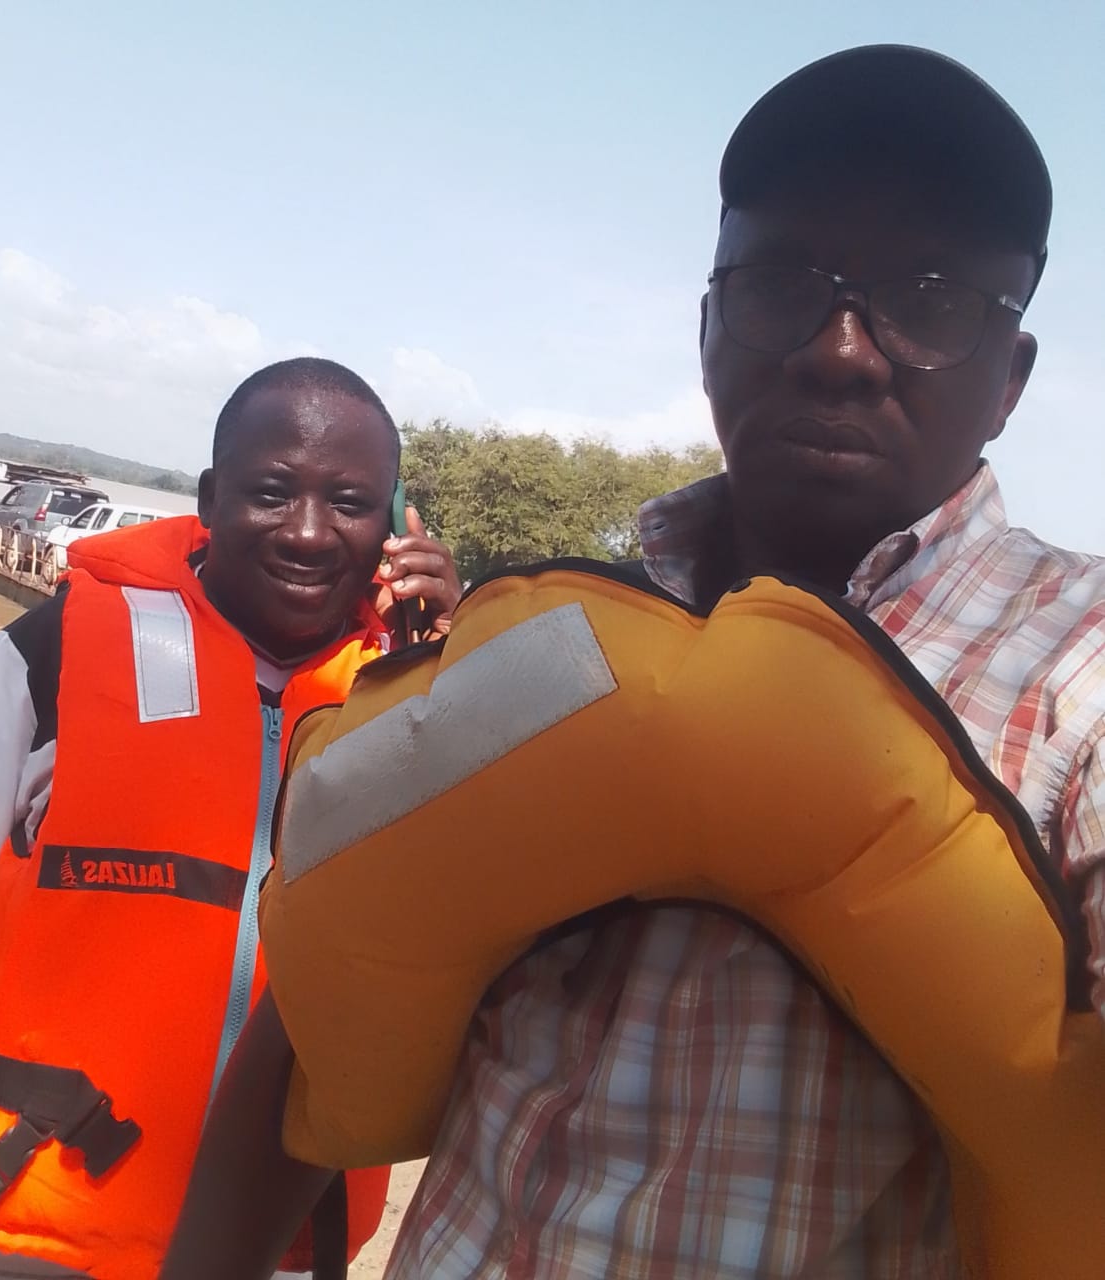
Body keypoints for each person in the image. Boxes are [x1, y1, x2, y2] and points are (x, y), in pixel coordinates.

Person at [163, 46, 1105, 1279]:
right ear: (707, 327)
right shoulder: (551, 638)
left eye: (927, 300)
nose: (839, 349)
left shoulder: (1077, 678)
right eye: (780, 283)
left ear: (1011, 379)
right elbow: (322, 987)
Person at [0, 357, 462, 1280]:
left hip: (281, 1245)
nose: (308, 532)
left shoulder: (424, 694)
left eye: (350, 503)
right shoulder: (55, 650)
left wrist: (456, 670)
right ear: (211, 498)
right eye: (272, 492)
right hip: (25, 1217)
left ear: (394, 527)